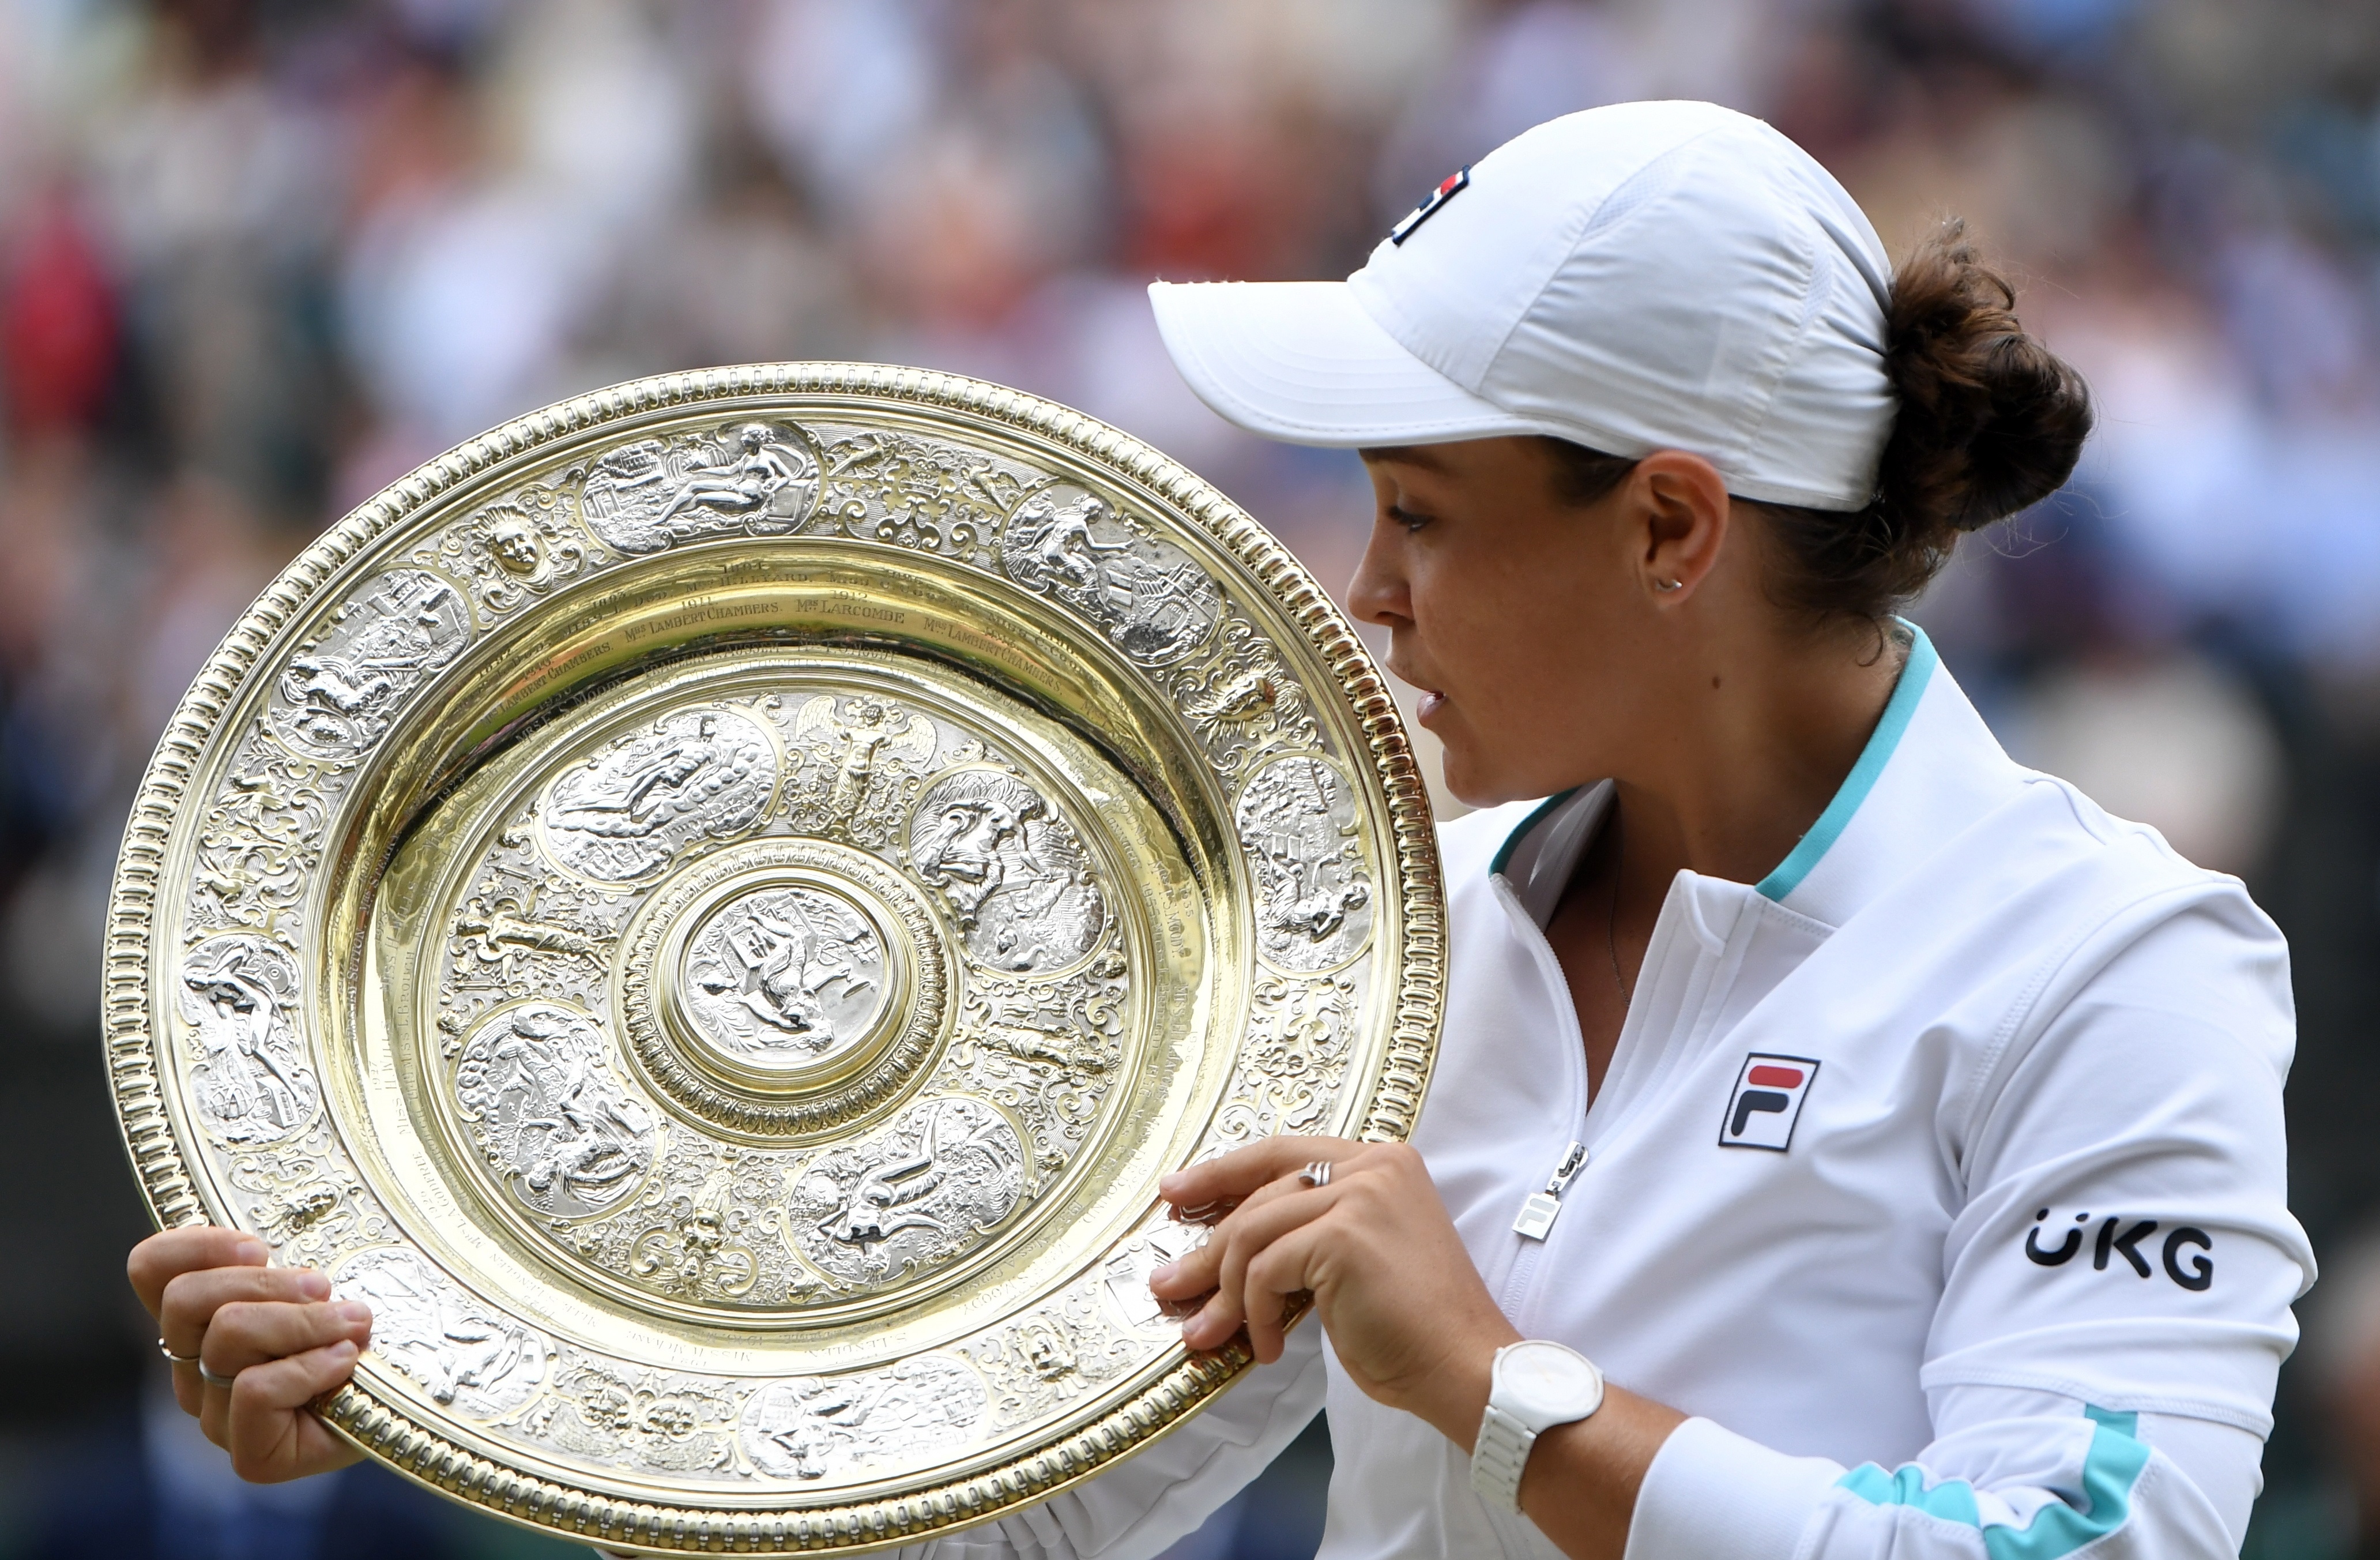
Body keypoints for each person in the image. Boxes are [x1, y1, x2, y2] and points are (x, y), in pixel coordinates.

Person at [127, 102, 2311, 1560]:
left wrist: (1493, 1388)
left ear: (1669, 528)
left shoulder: (2113, 965)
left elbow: (2086, 1545)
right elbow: (1022, 1509)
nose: (1365, 598)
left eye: (1422, 521)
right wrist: (452, 1400)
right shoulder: (1398, 935)